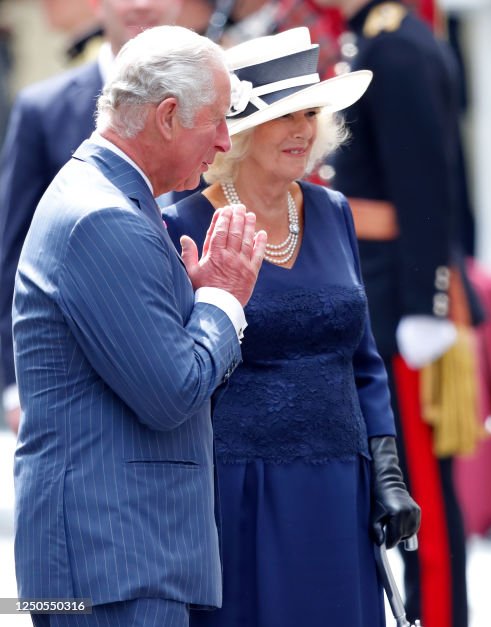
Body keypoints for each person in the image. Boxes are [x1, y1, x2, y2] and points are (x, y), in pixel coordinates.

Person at [163, 27, 421, 625]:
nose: (303, 130)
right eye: (285, 116)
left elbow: (364, 359)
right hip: (237, 487)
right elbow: (177, 369)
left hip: (339, 484)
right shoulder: (184, 221)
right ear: (243, 131)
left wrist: (386, 472)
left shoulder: (332, 213)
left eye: (310, 113)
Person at [13, 25, 265, 627]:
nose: (227, 140)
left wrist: (197, 301)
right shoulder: (105, 216)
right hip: (115, 561)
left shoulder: (108, 197)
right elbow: (171, 392)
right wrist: (223, 303)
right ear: (169, 116)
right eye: (218, 120)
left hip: (115, 556)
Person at [321, 2, 486, 626]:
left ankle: (438, 616)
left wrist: (426, 304)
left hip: (402, 303)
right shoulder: (369, 39)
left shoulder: (400, 48)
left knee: (419, 493)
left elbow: (428, 187)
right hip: (374, 292)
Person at [0, 0, 185, 434]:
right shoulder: (42, 110)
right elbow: (13, 253)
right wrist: (13, 383)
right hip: (77, 376)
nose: (142, 4)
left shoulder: (218, 103)